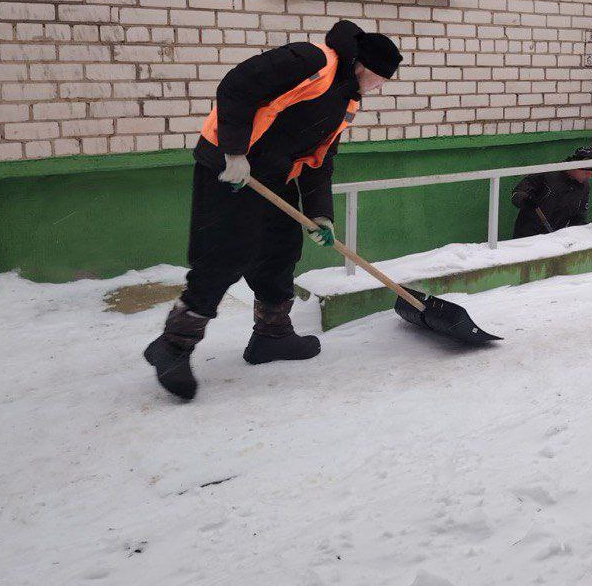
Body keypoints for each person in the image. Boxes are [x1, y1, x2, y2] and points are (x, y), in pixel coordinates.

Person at [143, 20, 403, 401]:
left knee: (281, 249)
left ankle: (272, 334)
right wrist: (234, 152)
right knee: (226, 253)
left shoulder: (346, 101)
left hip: (271, 177)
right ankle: (173, 345)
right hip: (229, 168)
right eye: (381, 79)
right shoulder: (312, 62)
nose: (380, 87)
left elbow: (320, 159)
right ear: (366, 67)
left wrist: (320, 214)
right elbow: (236, 86)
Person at [510, 146, 592, 238]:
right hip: (528, 237)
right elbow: (518, 192)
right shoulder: (548, 174)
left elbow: (579, 218)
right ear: (574, 166)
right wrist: (525, 199)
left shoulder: (583, 187)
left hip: (554, 239)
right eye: (586, 172)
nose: (589, 176)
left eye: (591, 173)